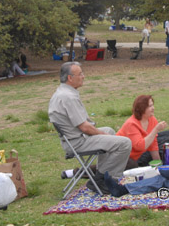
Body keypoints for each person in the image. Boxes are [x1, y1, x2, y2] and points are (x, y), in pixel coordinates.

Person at [48, 62, 132, 194]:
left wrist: (104, 133)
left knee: (109, 130)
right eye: (80, 74)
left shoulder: (62, 92)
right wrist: (103, 134)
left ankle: (102, 176)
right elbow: (85, 127)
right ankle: (106, 181)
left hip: (73, 139)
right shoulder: (68, 97)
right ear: (70, 78)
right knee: (125, 143)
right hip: (78, 142)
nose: (83, 76)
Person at [116, 95, 167, 169]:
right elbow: (140, 146)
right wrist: (155, 130)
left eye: (153, 105)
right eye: (150, 106)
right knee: (133, 165)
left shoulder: (152, 120)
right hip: (121, 157)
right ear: (142, 109)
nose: (153, 108)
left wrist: (159, 164)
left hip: (136, 157)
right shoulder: (131, 124)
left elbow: (153, 144)